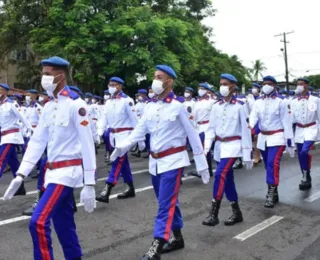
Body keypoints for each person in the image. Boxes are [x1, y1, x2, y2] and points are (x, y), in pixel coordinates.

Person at [110, 65, 209, 260]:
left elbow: (193, 135)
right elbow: (140, 130)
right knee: (169, 201)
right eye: (154, 76)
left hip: (173, 161)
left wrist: (202, 163)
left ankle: (157, 245)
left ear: (169, 82)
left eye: (159, 77)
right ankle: (178, 237)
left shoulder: (179, 106)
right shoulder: (150, 106)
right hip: (155, 162)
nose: (155, 80)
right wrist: (123, 146)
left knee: (165, 204)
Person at [3, 56, 97, 260]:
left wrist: (90, 183)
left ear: (60, 76)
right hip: (51, 173)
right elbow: (38, 141)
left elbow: (88, 146)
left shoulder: (76, 105)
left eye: (47, 74)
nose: (43, 78)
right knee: (64, 225)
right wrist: (20, 173)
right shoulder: (49, 106)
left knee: (38, 221)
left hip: (67, 173)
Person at [202, 74, 253, 227]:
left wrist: (247, 154)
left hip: (234, 145)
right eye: (221, 83)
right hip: (219, 146)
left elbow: (245, 131)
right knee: (228, 180)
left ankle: (214, 213)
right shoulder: (216, 106)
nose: (222, 86)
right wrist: (206, 148)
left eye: (225, 84)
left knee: (220, 174)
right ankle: (237, 213)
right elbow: (210, 129)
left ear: (233, 86)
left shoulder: (240, 105)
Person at [249, 75, 294, 208]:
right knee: (267, 166)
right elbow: (253, 117)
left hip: (277, 137)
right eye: (264, 83)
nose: (266, 86)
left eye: (269, 83)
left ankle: (270, 193)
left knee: (272, 164)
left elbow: (287, 123)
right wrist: (250, 126)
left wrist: (289, 142)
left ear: (274, 86)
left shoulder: (282, 102)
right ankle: (274, 192)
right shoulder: (258, 102)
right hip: (263, 138)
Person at [96, 77, 138, 203]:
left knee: (117, 161)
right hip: (113, 136)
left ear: (119, 86)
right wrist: (99, 133)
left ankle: (107, 189)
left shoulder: (127, 101)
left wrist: (136, 140)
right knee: (123, 163)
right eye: (110, 84)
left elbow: (135, 121)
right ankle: (130, 188)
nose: (111, 87)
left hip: (125, 136)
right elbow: (104, 119)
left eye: (114, 85)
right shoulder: (108, 102)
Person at [0, 83, 32, 196]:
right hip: (3, 137)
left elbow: (22, 117)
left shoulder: (12, 104)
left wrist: (29, 130)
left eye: (2, 90)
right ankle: (20, 188)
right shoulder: (1, 106)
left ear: (6, 92)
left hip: (11, 137)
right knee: (14, 164)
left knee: (1, 160)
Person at [291, 78, 320, 190]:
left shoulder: (315, 100)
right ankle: (305, 175)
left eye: (301, 84)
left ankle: (305, 173)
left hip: (311, 128)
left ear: (307, 85)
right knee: (300, 154)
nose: (299, 86)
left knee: (304, 152)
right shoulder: (293, 101)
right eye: (297, 84)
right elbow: (292, 119)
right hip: (299, 130)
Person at [193, 82, 216, 177]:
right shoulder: (197, 103)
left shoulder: (212, 102)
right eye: (199, 88)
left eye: (202, 88)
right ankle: (204, 170)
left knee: (205, 149)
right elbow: (193, 117)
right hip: (198, 127)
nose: (200, 90)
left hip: (207, 126)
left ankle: (206, 170)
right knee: (199, 149)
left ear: (207, 91)